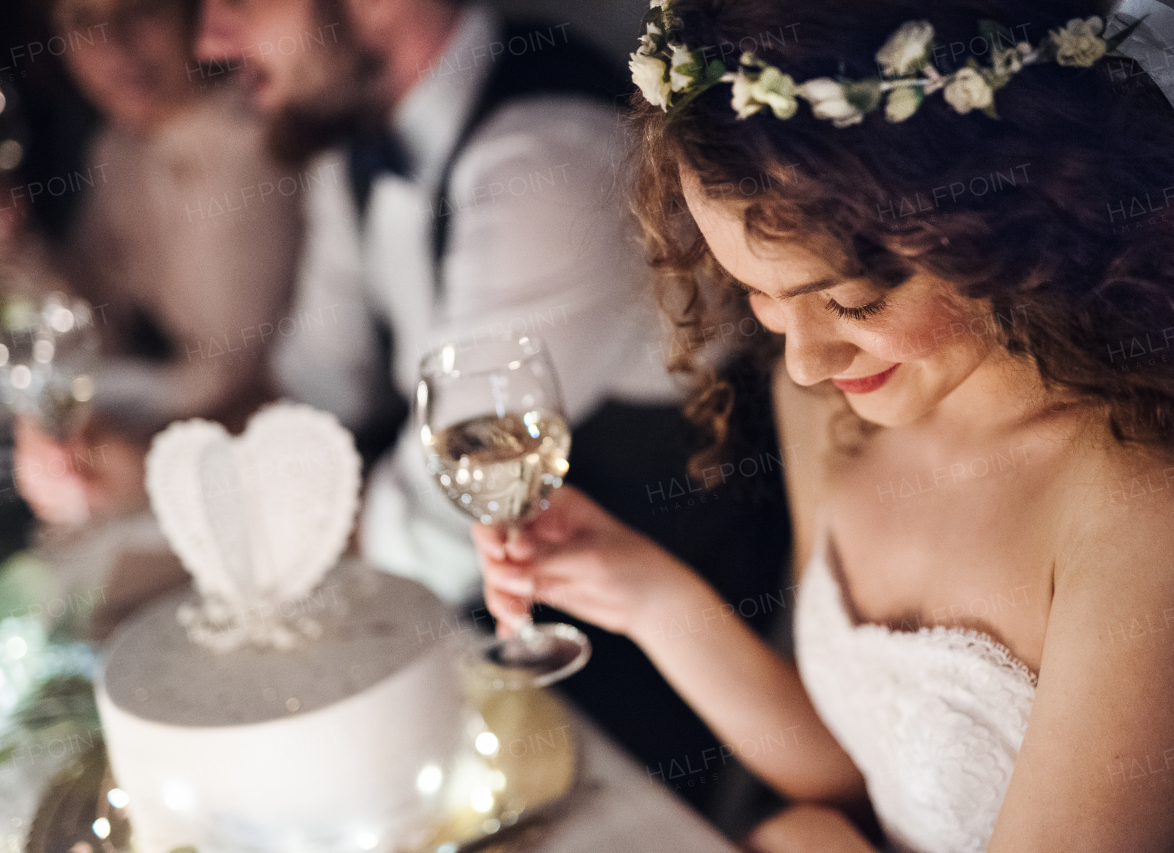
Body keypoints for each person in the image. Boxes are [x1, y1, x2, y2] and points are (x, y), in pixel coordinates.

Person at [475, 0, 1174, 850]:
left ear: (1012, 215)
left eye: (851, 301)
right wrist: (646, 592)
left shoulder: (1169, 501)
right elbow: (863, 780)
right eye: (761, 295)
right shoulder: (836, 404)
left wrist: (806, 842)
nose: (804, 360)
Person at [193, 0, 794, 815]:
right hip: (462, 651)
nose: (206, 39)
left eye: (233, 0)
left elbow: (440, 518)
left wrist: (240, 527)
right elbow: (311, 390)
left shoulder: (551, 153)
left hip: (644, 713)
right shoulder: (359, 139)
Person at [14, 0, 301, 525]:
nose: (113, 47)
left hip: (266, 477)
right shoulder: (117, 147)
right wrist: (17, 245)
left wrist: (117, 443)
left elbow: (230, 376)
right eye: (83, 24)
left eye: (141, 12)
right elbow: (91, 322)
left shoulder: (255, 145)